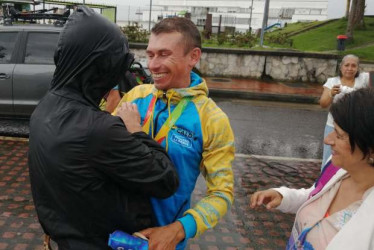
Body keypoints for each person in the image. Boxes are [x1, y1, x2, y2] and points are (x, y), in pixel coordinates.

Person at [28, 6, 179, 249]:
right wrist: (134, 129)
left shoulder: (45, 108)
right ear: (99, 66)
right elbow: (166, 179)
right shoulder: (98, 130)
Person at [113, 17, 235, 249]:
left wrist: (179, 229)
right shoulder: (136, 96)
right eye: (150, 55)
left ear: (193, 56)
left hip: (163, 241)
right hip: (116, 234)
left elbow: (222, 193)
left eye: (164, 54)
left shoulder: (212, 119)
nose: (153, 65)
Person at [250, 87, 374, 249]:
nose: (328, 140)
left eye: (339, 135)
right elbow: (314, 195)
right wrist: (284, 196)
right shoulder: (336, 169)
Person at [319, 54, 369, 168]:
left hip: (356, 128)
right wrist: (331, 93)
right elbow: (323, 103)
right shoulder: (332, 82)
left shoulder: (363, 79)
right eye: (347, 65)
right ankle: (324, 183)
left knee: (353, 157)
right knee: (329, 158)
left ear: (357, 68)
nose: (350, 69)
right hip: (333, 127)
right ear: (341, 67)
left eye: (353, 66)